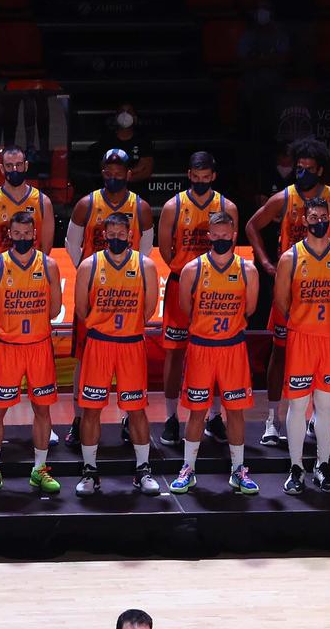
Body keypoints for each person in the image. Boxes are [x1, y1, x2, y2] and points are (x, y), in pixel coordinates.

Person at [246, 139, 330, 446]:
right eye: (298, 169)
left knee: (322, 356)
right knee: (281, 352)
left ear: (321, 171)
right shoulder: (284, 198)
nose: (301, 174)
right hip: (292, 286)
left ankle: (317, 417)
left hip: (323, 289)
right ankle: (272, 419)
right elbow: (251, 226)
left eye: (308, 169)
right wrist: (265, 262)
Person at [168, 216, 261, 495]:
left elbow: (251, 309)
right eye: (216, 235)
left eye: (226, 235)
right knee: (196, 412)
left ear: (234, 235)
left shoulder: (248, 270)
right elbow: (186, 308)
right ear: (209, 235)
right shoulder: (192, 270)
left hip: (233, 348)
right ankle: (188, 468)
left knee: (235, 412)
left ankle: (238, 470)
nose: (221, 239)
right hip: (201, 348)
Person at [70, 212, 162, 495]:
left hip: (131, 343)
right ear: (104, 235)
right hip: (99, 343)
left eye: (122, 234)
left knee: (136, 410)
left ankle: (143, 470)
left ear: (131, 236)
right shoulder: (89, 265)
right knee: (91, 410)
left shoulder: (145, 265)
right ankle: (89, 472)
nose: (116, 238)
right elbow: (82, 310)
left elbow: (149, 309)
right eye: (111, 234)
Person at [154, 152, 241, 446]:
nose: (201, 182)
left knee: (216, 353)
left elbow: (232, 246)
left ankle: (214, 416)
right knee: (175, 353)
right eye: (196, 177)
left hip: (217, 289)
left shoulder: (227, 206)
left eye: (207, 178)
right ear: (189, 174)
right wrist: (184, 269)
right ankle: (170, 418)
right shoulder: (173, 206)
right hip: (183, 284)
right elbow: (165, 250)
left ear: (213, 176)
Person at [272, 200, 330, 496]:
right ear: (304, 220)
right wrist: (304, 320)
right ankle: (296, 467)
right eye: (313, 216)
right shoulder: (290, 257)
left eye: (323, 216)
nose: (318, 220)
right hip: (302, 338)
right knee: (298, 404)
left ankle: (322, 466)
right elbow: (282, 301)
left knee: (324, 405)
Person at [0, 148, 52, 440]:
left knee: (37, 359)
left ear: (26, 165)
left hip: (31, 291)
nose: (15, 168)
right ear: (2, 169)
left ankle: (42, 422)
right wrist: (1, 278)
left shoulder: (42, 201)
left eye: (19, 163)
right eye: (9, 165)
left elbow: (47, 248)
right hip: (1, 286)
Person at [0, 210, 63, 496]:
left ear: (34, 235)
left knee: (42, 408)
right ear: (9, 235)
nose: (23, 239)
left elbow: (55, 310)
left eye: (27, 234)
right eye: (17, 234)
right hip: (9, 348)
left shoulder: (49, 265)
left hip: (39, 346)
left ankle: (39, 469)